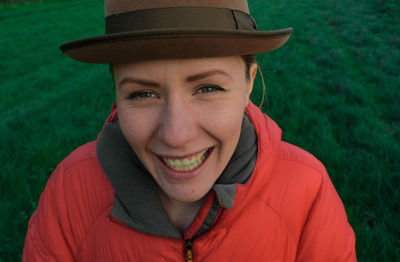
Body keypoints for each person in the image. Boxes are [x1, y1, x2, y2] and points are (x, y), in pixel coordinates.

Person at [23, 0, 357, 261]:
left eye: (208, 88)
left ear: (248, 82)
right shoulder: (69, 191)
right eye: (143, 94)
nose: (175, 135)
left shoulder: (307, 191)